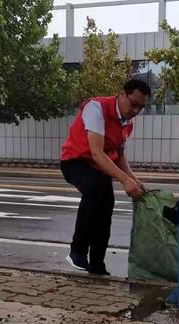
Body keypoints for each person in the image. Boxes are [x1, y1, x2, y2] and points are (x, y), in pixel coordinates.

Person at [60, 79, 151, 275]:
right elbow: (97, 152)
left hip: (98, 168)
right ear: (123, 94)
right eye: (133, 104)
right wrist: (124, 181)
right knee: (94, 192)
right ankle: (77, 251)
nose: (136, 111)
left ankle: (97, 265)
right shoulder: (96, 108)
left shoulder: (127, 123)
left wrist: (133, 179)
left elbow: (119, 155)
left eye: (141, 107)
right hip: (75, 161)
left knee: (106, 205)